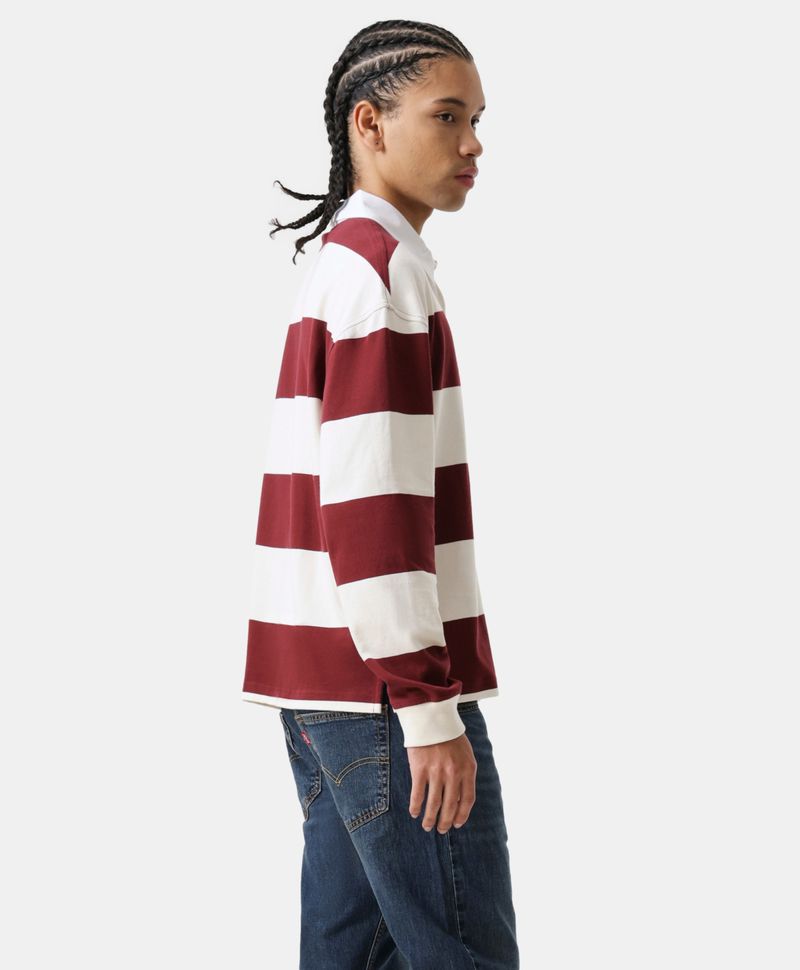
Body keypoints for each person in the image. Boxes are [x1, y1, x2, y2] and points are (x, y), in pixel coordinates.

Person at [241, 19, 520, 969]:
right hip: (387, 696)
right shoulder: (381, 276)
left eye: (477, 120)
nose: (472, 144)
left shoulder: (347, 265)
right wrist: (428, 708)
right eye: (447, 116)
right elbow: (372, 513)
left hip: (328, 687)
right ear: (370, 123)